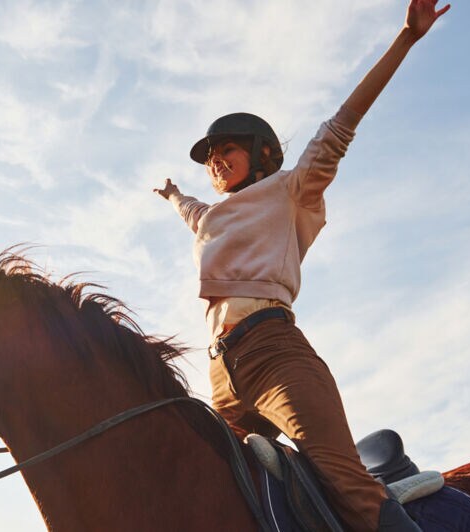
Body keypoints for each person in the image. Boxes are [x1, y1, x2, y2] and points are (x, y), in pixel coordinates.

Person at [154, 1, 451, 531]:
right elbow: (193, 215)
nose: (216, 161)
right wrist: (175, 195)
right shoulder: (212, 218)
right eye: (211, 157)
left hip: (274, 353)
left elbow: (341, 125)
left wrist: (405, 40)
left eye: (227, 150)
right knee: (218, 496)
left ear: (263, 153)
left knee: (350, 490)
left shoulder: (290, 189)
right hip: (221, 372)